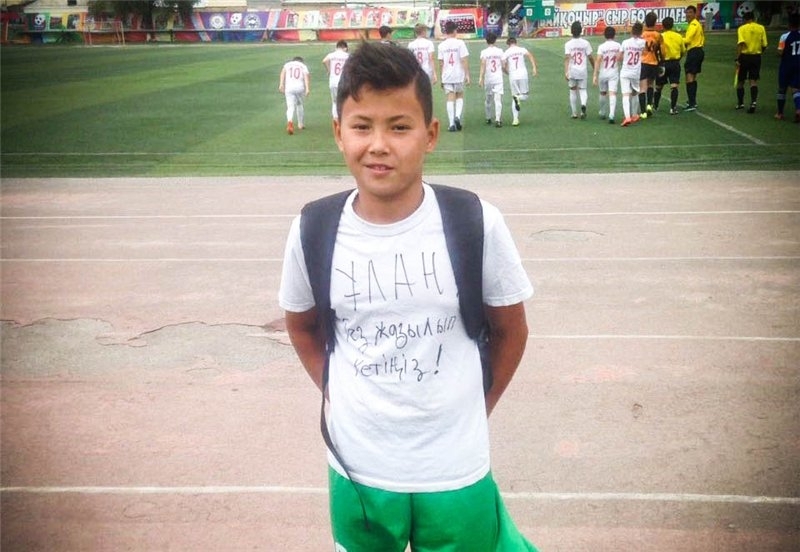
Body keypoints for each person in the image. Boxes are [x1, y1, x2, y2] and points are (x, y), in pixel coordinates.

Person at [278, 41, 538, 552]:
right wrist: (338, 395)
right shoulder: (313, 228)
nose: (379, 145)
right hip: (358, 469)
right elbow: (302, 326)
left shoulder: (475, 221)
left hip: (454, 467)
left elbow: (511, 330)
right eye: (362, 126)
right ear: (338, 133)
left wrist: (474, 406)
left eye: (399, 127)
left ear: (430, 135)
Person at [438, 19, 471, 131]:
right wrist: (467, 75)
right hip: (458, 74)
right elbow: (464, 59)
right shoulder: (460, 43)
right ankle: (457, 116)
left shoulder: (441, 45)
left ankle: (451, 124)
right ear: (455, 31)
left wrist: (442, 78)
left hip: (447, 75)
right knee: (459, 95)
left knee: (450, 97)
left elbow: (441, 63)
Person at [735, 10, 768, 113]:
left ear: (745, 19)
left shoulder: (742, 28)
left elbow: (741, 44)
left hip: (744, 56)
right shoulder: (761, 28)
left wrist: (737, 59)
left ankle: (740, 103)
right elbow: (764, 44)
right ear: (753, 18)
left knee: (741, 81)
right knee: (753, 81)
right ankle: (753, 102)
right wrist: (759, 52)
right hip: (756, 57)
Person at [503, 36, 538, 126]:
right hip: (523, 75)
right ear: (516, 42)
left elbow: (503, 65)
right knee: (525, 96)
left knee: (514, 96)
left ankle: (515, 119)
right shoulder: (522, 49)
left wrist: (506, 71)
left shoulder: (506, 52)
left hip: (513, 76)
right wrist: (534, 68)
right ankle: (519, 98)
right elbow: (530, 56)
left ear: (508, 44)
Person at [654, 16, 686, 115]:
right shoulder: (679, 36)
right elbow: (683, 51)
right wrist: (678, 59)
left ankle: (655, 106)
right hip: (675, 63)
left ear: (663, 26)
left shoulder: (660, 36)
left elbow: (656, 50)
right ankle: (673, 108)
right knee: (674, 86)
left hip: (663, 64)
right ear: (672, 25)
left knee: (658, 86)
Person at [564, 20, 595, 119]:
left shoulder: (568, 44)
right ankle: (583, 105)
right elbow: (590, 57)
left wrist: (566, 72)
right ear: (581, 31)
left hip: (572, 70)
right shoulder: (585, 43)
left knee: (572, 90)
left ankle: (574, 113)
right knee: (583, 89)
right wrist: (595, 67)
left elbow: (567, 58)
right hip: (582, 70)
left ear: (571, 31)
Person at [593, 26, 622, 124]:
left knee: (602, 92)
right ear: (614, 35)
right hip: (613, 72)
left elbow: (598, 60)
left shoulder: (601, 46)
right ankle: (612, 114)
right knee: (612, 93)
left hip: (603, 72)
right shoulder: (618, 46)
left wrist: (595, 75)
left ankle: (602, 112)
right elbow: (620, 58)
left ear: (604, 35)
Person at [619, 21, 646, 126]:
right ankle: (634, 114)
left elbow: (620, 57)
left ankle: (627, 117)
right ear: (641, 32)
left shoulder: (625, 42)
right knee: (635, 92)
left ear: (632, 31)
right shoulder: (642, 42)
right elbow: (645, 52)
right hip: (636, 71)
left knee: (625, 94)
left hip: (625, 71)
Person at [775, 12, 800, 122]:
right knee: (796, 88)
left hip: (786, 65)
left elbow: (780, 52)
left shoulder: (785, 36)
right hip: (798, 65)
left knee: (782, 88)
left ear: (789, 24)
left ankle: (780, 113)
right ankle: (798, 109)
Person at [639, 11, 663, 118]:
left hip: (643, 62)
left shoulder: (642, 35)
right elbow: (663, 51)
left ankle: (643, 112)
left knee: (642, 87)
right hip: (653, 62)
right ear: (655, 22)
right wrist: (662, 61)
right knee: (650, 84)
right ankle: (649, 105)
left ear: (645, 22)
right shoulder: (658, 35)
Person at [479, 32, 505, 127]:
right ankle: (498, 119)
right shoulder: (500, 51)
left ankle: (488, 117)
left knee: (488, 98)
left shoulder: (484, 52)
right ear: (495, 41)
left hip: (488, 78)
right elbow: (503, 65)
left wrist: (481, 78)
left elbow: (483, 65)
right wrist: (507, 71)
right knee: (498, 99)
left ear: (486, 41)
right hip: (498, 78)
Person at [279, 56, 310, 135]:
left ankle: (290, 121)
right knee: (299, 104)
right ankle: (300, 124)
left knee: (290, 107)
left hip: (289, 88)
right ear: (301, 61)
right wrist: (307, 88)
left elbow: (282, 73)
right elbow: (306, 77)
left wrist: (281, 84)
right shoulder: (303, 66)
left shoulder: (287, 64)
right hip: (299, 88)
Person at [682, 5, 705, 111]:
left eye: (690, 12)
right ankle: (692, 101)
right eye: (687, 12)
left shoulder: (693, 25)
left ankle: (692, 103)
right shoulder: (696, 24)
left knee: (689, 76)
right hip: (698, 51)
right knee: (693, 77)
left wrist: (677, 39)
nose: (688, 14)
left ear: (695, 14)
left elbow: (687, 40)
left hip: (694, 52)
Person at [323, 40, 349, 121]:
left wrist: (329, 70)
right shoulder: (347, 56)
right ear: (345, 48)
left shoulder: (331, 55)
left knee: (334, 102)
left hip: (333, 82)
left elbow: (324, 61)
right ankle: (343, 119)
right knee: (344, 101)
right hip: (343, 82)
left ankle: (335, 120)